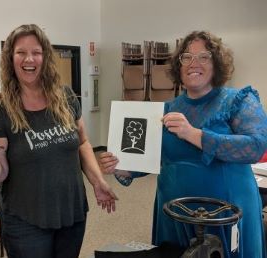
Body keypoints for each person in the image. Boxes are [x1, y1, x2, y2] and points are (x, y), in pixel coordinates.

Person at [99, 31, 267, 258]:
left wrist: (195, 135)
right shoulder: (167, 108)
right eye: (186, 57)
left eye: (204, 57)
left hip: (225, 213)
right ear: (178, 66)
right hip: (174, 213)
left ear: (216, 63)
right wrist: (123, 166)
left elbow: (256, 146)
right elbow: (153, 156)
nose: (193, 63)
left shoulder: (238, 100)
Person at [0, 24, 117, 258]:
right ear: (10, 59)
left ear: (45, 56)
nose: (29, 59)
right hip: (26, 219)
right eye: (21, 52)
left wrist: (97, 181)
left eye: (36, 52)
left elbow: (82, 142)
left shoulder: (65, 97)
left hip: (72, 211)